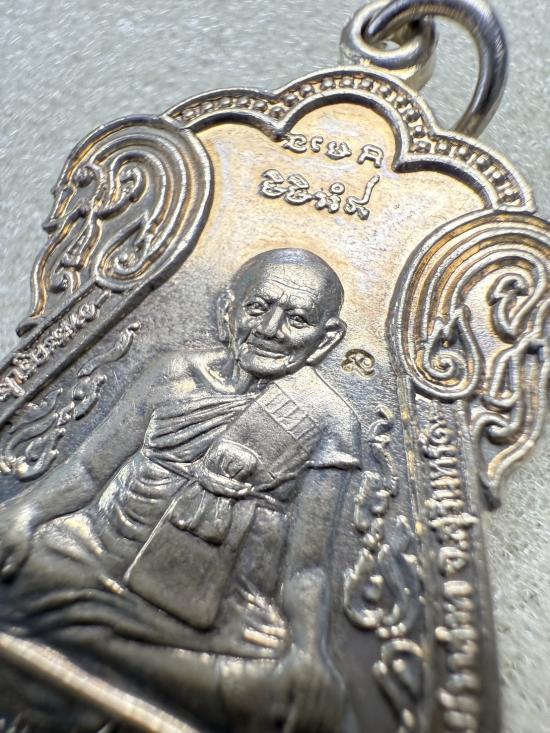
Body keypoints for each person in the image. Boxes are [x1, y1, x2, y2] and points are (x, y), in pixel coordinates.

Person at [0, 248, 362, 733]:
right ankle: (132, 669)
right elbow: (88, 470)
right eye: (258, 308)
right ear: (228, 309)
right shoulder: (173, 373)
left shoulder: (328, 419)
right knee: (19, 567)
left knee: (290, 698)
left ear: (326, 338)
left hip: (221, 607)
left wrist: (309, 650)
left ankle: (76, 649)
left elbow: (307, 564)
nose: (271, 330)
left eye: (297, 319)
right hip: (96, 558)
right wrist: (24, 513)